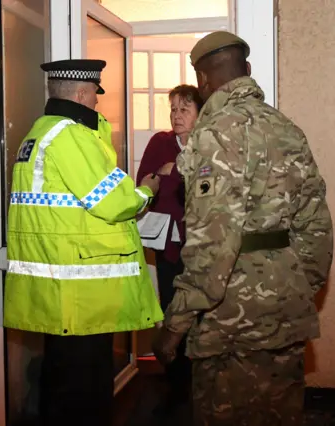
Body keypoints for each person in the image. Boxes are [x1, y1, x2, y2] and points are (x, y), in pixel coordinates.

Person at [152, 31, 334, 426]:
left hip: (229, 319)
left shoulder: (213, 135)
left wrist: (174, 325)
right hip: (285, 308)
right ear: (247, 71)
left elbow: (210, 245)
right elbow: (316, 229)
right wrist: (295, 286)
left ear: (202, 81)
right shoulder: (287, 129)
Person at [3, 59, 164, 426]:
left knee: (60, 382)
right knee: (83, 393)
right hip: (81, 295)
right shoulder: (70, 136)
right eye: (94, 95)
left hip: (61, 293)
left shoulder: (38, 134)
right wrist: (146, 192)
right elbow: (113, 202)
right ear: (81, 92)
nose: (97, 103)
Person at [136, 84, 204, 415]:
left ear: (199, 113)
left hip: (205, 247)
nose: (176, 115)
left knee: (203, 314)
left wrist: (172, 172)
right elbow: (143, 184)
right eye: (173, 109)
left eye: (184, 109)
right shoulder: (159, 143)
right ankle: (177, 384)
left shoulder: (209, 145)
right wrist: (167, 179)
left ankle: (201, 386)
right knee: (171, 312)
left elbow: (208, 188)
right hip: (168, 245)